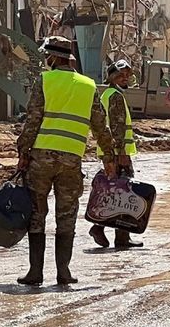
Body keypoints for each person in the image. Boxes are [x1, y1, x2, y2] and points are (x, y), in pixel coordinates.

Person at [16, 35, 118, 287]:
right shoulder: (88, 85)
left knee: (37, 215)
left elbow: (33, 119)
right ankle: (63, 272)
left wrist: (23, 153)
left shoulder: (45, 80)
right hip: (72, 160)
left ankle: (35, 273)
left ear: (53, 57)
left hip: (41, 158)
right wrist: (109, 157)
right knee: (66, 215)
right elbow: (100, 126)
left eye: (47, 56)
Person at [89, 58, 140, 251]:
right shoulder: (115, 96)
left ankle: (117, 234)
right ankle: (103, 228)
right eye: (121, 76)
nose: (125, 78)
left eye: (127, 75)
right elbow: (117, 128)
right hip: (118, 153)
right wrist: (120, 154)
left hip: (112, 152)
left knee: (114, 192)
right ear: (112, 78)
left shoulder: (109, 94)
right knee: (122, 193)